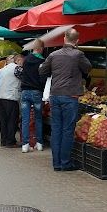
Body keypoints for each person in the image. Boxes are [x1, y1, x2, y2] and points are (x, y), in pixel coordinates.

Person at [39, 28, 92, 171]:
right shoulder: (78, 54)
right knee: (68, 130)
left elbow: (42, 71)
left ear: (64, 39)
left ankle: (56, 164)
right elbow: (88, 68)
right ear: (77, 41)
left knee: (56, 129)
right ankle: (65, 163)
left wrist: (55, 71)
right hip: (70, 96)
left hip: (55, 95)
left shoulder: (53, 55)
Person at [18, 41, 47, 153]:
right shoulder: (42, 61)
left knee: (25, 119)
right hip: (37, 92)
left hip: (25, 92)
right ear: (40, 48)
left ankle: (25, 145)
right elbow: (43, 77)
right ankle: (39, 143)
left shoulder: (26, 60)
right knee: (38, 118)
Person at [0, 54, 23, 147]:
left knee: (3, 120)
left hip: (1, 98)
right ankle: (10, 141)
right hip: (11, 98)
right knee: (12, 120)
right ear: (15, 60)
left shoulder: (1, 70)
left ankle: (3, 140)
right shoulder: (17, 68)